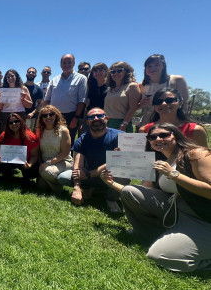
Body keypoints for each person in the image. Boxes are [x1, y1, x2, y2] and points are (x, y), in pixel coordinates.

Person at [101, 123, 211, 272]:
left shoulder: (195, 154)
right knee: (131, 192)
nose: (158, 139)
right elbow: (140, 192)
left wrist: (174, 175)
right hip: (177, 211)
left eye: (164, 135)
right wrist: (111, 182)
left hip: (202, 218)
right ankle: (148, 233)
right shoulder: (159, 160)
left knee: (158, 256)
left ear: (176, 136)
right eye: (153, 137)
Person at [57, 108, 130, 212]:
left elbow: (120, 163)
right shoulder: (82, 139)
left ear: (106, 118)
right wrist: (77, 188)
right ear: (87, 122)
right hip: (88, 175)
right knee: (63, 177)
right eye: (91, 117)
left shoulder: (119, 136)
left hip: (109, 175)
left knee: (125, 176)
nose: (95, 118)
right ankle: (92, 188)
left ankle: (110, 198)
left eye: (99, 116)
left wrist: (89, 174)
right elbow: (77, 166)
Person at [139, 88, 207, 147]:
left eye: (170, 100)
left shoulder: (195, 130)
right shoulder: (144, 130)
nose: (164, 104)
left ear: (180, 103)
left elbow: (204, 158)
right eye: (158, 101)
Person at [138, 54, 190, 130]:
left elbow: (184, 103)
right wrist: (141, 104)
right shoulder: (142, 85)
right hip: (148, 122)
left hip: (172, 120)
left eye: (156, 65)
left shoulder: (177, 80)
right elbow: (136, 106)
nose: (153, 68)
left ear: (163, 66)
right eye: (149, 66)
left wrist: (180, 122)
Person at [44, 54, 87, 141]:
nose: (66, 65)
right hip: (54, 116)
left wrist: (76, 117)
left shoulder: (81, 79)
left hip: (71, 116)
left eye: (69, 62)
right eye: (64, 63)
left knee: (68, 141)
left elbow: (82, 100)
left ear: (74, 63)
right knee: (53, 140)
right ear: (61, 64)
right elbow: (47, 99)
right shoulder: (54, 80)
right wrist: (46, 115)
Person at [35, 105, 73, 193]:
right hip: (45, 162)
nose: (48, 117)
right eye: (44, 115)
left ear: (56, 115)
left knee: (46, 173)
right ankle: (52, 182)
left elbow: (65, 153)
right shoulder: (39, 131)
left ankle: (58, 189)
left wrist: (48, 163)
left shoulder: (63, 131)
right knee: (40, 186)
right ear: (41, 118)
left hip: (63, 161)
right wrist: (41, 163)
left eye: (51, 114)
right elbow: (39, 151)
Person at [0, 113, 39, 180]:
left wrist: (30, 164)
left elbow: (34, 155)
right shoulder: (4, 135)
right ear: (8, 125)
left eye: (16, 121)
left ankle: (25, 176)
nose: (14, 124)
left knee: (31, 173)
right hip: (9, 161)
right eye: (10, 123)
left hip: (25, 162)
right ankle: (8, 176)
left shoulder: (30, 137)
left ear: (21, 122)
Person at [0, 69, 33, 134]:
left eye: (12, 76)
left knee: (20, 135)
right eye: (8, 77)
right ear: (6, 79)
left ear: (16, 76)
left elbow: (30, 105)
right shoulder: (3, 89)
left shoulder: (23, 88)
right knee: (4, 136)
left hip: (19, 114)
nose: (10, 78)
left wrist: (23, 99)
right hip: (5, 115)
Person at [80, 63, 109, 135]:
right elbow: (87, 105)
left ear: (106, 71)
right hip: (91, 116)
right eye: (95, 71)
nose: (98, 73)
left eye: (101, 70)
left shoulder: (111, 85)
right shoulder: (90, 86)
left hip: (104, 116)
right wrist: (84, 122)